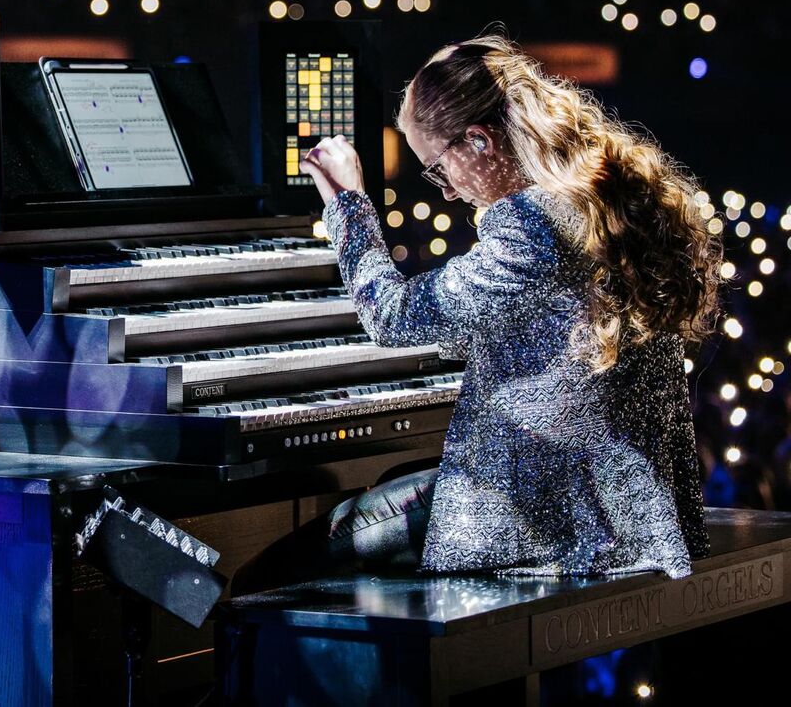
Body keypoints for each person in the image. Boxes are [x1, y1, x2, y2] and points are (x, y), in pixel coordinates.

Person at [233, 32, 723, 594]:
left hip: (552, 518)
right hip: (629, 510)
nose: (445, 193)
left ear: (479, 141)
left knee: (266, 575)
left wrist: (346, 201)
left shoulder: (531, 224)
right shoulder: (607, 192)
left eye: (439, 169)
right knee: (399, 483)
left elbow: (392, 316)